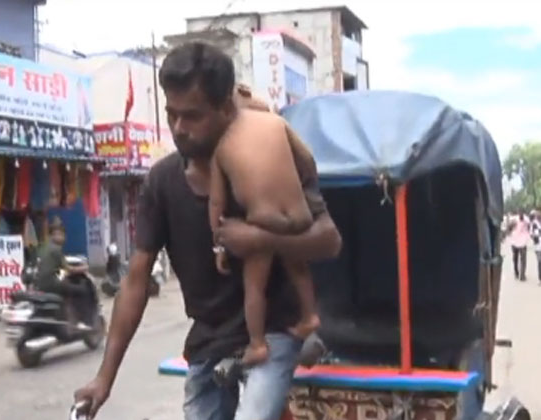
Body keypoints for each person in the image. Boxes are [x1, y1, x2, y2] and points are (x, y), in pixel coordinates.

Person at [73, 41, 342, 420]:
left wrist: (261, 239)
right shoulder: (161, 182)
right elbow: (135, 281)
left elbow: (329, 240)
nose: (179, 129)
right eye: (172, 115)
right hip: (209, 342)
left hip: (275, 333)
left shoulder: (272, 160)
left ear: (226, 109)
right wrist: (104, 378)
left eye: (193, 116)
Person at [210, 83, 321, 366]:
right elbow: (307, 160)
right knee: (297, 265)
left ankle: (257, 344)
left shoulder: (222, 146)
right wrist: (303, 184)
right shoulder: (276, 122)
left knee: (254, 287)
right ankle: (310, 315)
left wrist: (219, 244)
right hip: (299, 214)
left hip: (264, 220)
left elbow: (216, 204)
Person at [35, 217, 91, 329]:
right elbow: (68, 269)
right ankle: (81, 320)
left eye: (61, 234)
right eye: (57, 234)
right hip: (51, 283)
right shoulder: (56, 249)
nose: (59, 237)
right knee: (81, 290)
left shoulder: (44, 248)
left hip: (39, 283)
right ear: (51, 236)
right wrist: (84, 268)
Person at [508, 212, 530, 281]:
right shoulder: (514, 219)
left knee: (522, 259)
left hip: (522, 242)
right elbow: (509, 227)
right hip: (515, 241)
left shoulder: (526, 219)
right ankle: (516, 272)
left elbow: (529, 228)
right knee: (515, 258)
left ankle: (522, 275)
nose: (521, 216)